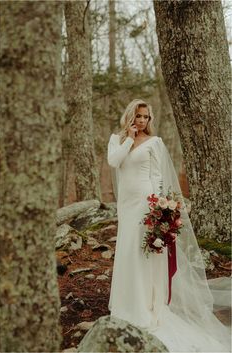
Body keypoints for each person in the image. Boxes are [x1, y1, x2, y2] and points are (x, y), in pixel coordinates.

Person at [107, 98, 231, 352]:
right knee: (127, 251)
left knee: (144, 253)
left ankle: (146, 306)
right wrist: (129, 138)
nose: (142, 121)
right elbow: (114, 162)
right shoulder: (116, 140)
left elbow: (157, 177)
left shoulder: (155, 143)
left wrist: (159, 208)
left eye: (146, 117)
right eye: (138, 116)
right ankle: (124, 304)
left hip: (146, 203)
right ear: (130, 116)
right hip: (126, 206)